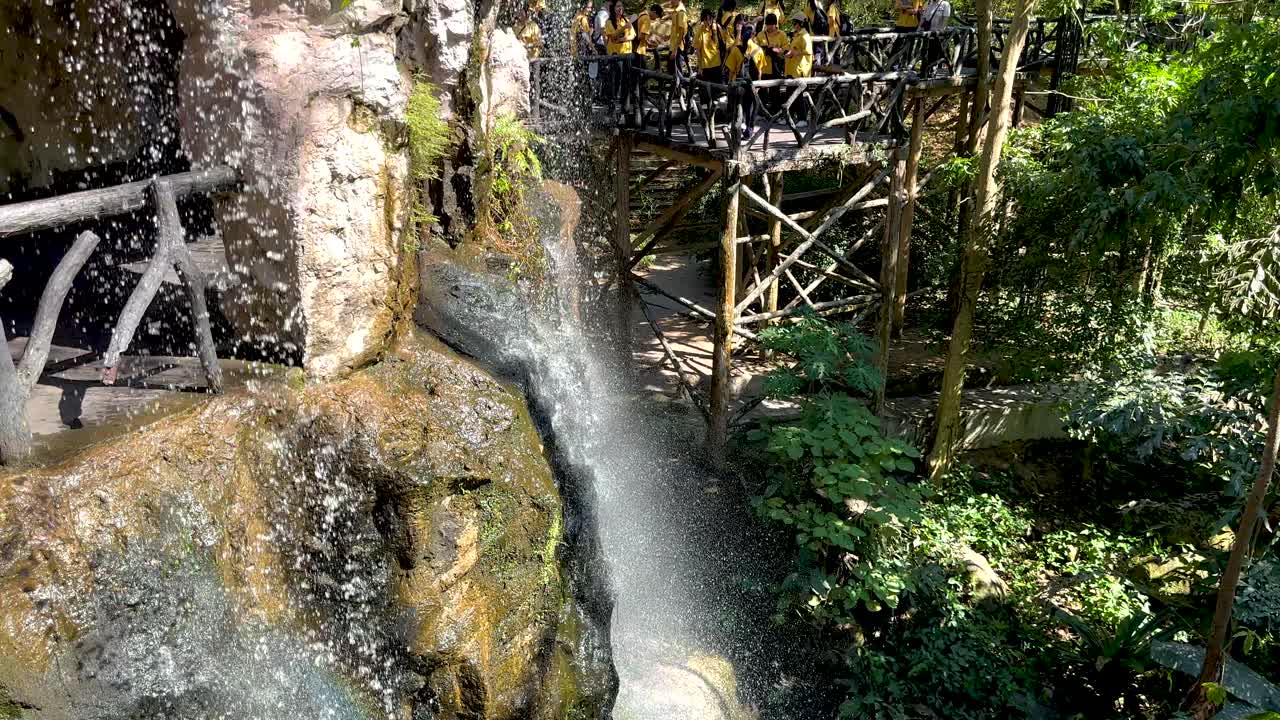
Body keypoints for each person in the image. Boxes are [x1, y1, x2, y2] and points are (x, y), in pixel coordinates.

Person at [724, 24, 765, 133]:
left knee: (737, 106)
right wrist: (758, 85)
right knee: (750, 106)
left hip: (738, 84)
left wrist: (729, 83)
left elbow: (731, 70)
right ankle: (749, 129)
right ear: (754, 34)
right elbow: (760, 70)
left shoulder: (736, 50)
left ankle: (736, 128)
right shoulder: (759, 50)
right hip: (752, 83)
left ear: (741, 34)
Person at [919, 0, 950, 74]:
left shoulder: (945, 4)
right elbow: (923, 18)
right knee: (925, 52)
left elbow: (945, 20)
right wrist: (918, 29)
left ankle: (932, 71)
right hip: (927, 33)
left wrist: (941, 32)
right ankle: (924, 71)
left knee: (935, 53)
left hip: (938, 35)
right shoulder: (928, 3)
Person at [693, 8, 724, 82]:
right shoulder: (700, 30)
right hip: (706, 65)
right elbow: (697, 50)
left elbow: (723, 43)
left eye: (710, 19)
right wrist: (700, 67)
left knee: (718, 89)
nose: (708, 22)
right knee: (706, 89)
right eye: (706, 19)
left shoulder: (717, 27)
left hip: (717, 64)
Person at [665, 0, 690, 73]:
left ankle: (679, 84)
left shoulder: (681, 13)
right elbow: (676, 30)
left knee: (677, 72)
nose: (671, 1)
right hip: (673, 46)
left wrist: (675, 50)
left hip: (677, 47)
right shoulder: (675, 12)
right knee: (671, 70)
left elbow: (682, 33)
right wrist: (668, 36)